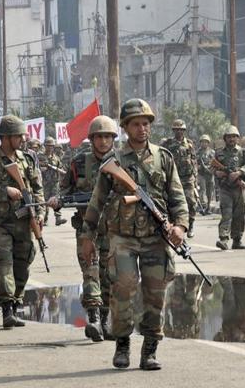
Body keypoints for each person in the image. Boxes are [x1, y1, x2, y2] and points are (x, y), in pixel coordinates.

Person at [80, 98, 188, 370]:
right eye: (136, 124)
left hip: (156, 237)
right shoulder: (113, 161)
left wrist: (180, 227)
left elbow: (178, 197)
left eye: (146, 124)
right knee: (124, 287)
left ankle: (150, 349)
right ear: (126, 127)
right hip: (123, 236)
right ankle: (122, 344)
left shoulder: (164, 157)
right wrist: (87, 237)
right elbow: (97, 201)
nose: (143, 129)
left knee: (155, 293)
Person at [50, 115, 117, 342]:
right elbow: (65, 189)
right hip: (87, 228)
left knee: (110, 277)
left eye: (107, 136)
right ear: (91, 139)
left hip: (115, 229)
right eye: (99, 137)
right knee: (91, 271)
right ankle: (94, 318)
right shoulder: (79, 163)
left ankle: (105, 319)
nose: (103, 141)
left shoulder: (122, 162)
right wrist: (58, 200)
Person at [0, 115, 45, 329]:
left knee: (23, 264)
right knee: (5, 262)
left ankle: (15, 305)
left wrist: (40, 213)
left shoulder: (28, 159)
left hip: (25, 221)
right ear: (5, 138)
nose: (22, 139)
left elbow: (37, 189)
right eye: (18, 136)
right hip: (2, 222)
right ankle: (6, 309)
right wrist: (4, 191)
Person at [213, 125, 245, 251]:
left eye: (234, 137)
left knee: (239, 214)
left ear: (238, 138)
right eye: (229, 137)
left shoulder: (243, 152)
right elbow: (212, 167)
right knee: (227, 213)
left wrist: (239, 172)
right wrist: (217, 173)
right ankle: (223, 239)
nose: (231, 139)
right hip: (226, 189)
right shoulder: (219, 153)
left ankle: (237, 239)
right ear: (225, 138)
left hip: (239, 188)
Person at [162, 119, 198, 237]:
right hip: (172, 178)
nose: (179, 132)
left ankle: (190, 224)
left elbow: (194, 161)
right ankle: (174, 226)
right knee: (170, 203)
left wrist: (195, 178)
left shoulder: (189, 144)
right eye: (176, 130)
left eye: (181, 130)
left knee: (191, 203)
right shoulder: (167, 144)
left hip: (187, 179)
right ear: (173, 130)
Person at [39, 136, 67, 227]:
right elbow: (35, 168)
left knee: (56, 200)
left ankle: (58, 218)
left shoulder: (56, 158)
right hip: (44, 182)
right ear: (45, 146)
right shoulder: (40, 156)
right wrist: (41, 168)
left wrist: (62, 174)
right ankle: (44, 219)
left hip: (55, 182)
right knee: (45, 201)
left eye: (51, 146)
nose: (50, 147)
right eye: (48, 145)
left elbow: (61, 168)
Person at [197, 135, 215, 215]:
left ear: (208, 143)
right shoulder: (197, 152)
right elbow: (195, 163)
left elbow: (215, 162)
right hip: (201, 174)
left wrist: (211, 169)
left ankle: (208, 207)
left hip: (210, 174)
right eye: (202, 142)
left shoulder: (212, 152)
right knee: (202, 190)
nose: (204, 143)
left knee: (210, 192)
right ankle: (203, 206)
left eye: (206, 142)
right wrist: (199, 167)